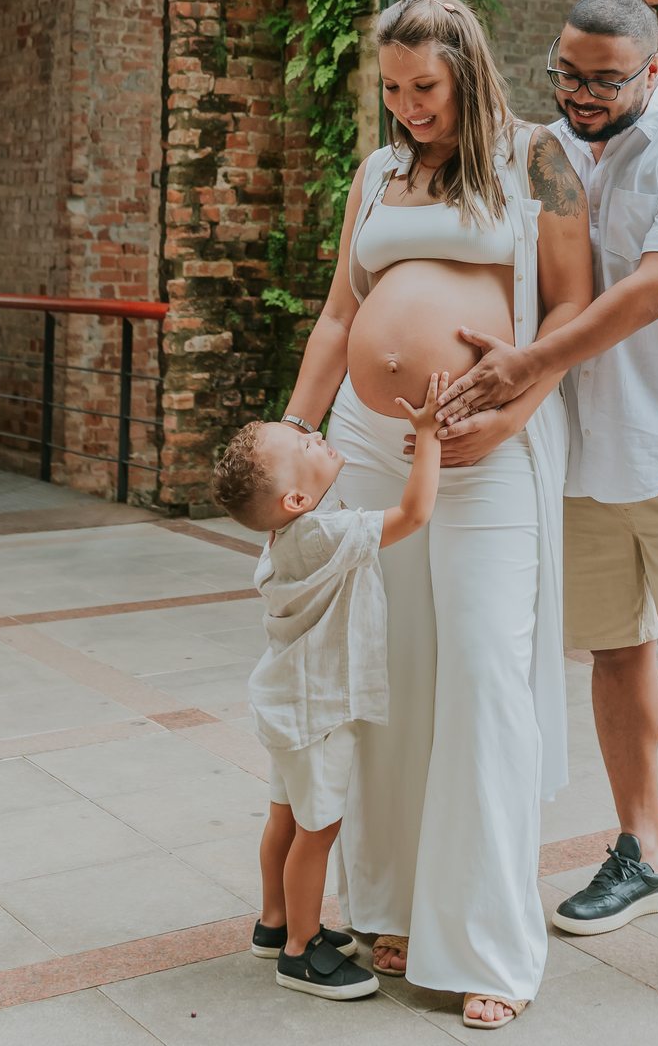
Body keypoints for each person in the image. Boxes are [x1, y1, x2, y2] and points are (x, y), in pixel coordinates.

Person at [435, 0, 658, 1017]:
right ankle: (643, 850)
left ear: (654, 67)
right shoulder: (549, 149)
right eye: (568, 73)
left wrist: (526, 365)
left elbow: (655, 289)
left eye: (605, 79)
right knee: (616, 656)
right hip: (586, 455)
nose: (582, 95)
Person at [275, 0, 592, 1029]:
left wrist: (512, 419)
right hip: (370, 447)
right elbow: (338, 317)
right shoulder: (374, 176)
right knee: (390, 672)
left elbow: (575, 309)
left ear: (469, 70)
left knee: (483, 675)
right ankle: (395, 903)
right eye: (395, 91)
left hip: (488, 449)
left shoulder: (536, 157)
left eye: (429, 89)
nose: (411, 108)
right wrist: (291, 438)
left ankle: (493, 940)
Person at [211, 373, 447, 1002]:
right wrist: (426, 435)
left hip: (287, 704)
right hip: (318, 713)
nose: (314, 433)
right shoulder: (327, 535)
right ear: (293, 500)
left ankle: (273, 922)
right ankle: (301, 951)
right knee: (317, 833)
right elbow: (415, 512)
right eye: (305, 446)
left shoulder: (285, 538)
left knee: (283, 818)